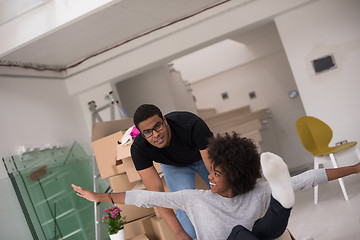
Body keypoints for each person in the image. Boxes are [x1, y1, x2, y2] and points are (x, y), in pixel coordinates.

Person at [72, 132, 360, 240]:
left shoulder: (256, 192)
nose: (208, 176)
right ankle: (281, 200)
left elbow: (310, 178)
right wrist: (99, 196)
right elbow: (144, 197)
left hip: (257, 236)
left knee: (258, 230)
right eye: (212, 171)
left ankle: (282, 198)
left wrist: (357, 168)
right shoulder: (193, 199)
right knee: (242, 234)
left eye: (217, 173)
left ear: (235, 176)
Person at [130, 104, 213, 239]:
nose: (156, 134)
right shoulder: (139, 149)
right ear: (141, 134)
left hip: (203, 156)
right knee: (183, 206)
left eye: (158, 126)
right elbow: (157, 196)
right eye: (147, 132)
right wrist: (178, 232)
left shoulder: (191, 123)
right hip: (175, 165)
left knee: (224, 193)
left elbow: (215, 173)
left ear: (164, 120)